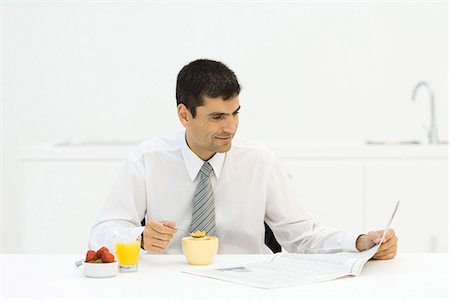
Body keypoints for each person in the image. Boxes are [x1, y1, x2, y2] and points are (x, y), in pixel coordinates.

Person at [89, 59, 398, 259]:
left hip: (250, 284)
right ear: (184, 115)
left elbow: (301, 236)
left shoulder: (260, 161)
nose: (231, 127)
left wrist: (360, 242)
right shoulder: (148, 159)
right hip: (171, 282)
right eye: (217, 117)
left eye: (235, 113)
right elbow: (101, 233)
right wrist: (139, 237)